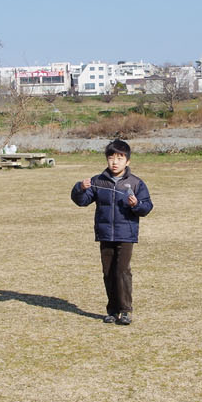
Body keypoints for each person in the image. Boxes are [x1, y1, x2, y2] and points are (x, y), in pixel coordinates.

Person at [70, 139, 154, 326]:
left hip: (126, 234)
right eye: (111, 158)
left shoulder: (136, 183)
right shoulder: (97, 181)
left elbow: (147, 207)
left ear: (127, 161)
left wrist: (137, 205)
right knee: (108, 272)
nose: (115, 162)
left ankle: (125, 311)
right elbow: (82, 201)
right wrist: (79, 188)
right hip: (105, 233)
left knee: (122, 271)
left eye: (120, 158)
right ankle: (112, 310)